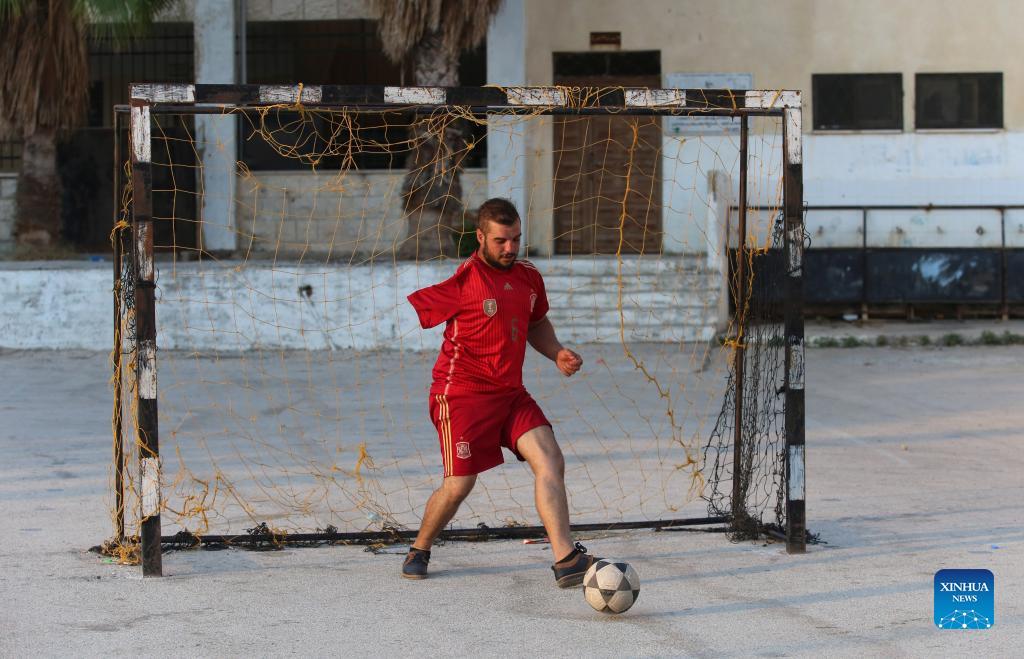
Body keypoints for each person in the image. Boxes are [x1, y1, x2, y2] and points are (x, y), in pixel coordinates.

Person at [402, 197, 598, 587]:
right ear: (480, 237)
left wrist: (557, 352)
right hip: (462, 396)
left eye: (516, 239)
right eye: (500, 241)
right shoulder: (466, 279)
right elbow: (423, 307)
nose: (510, 248)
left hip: (510, 394)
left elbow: (536, 322)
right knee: (459, 485)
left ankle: (566, 560)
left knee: (550, 460)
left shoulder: (528, 276)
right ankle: (419, 548)